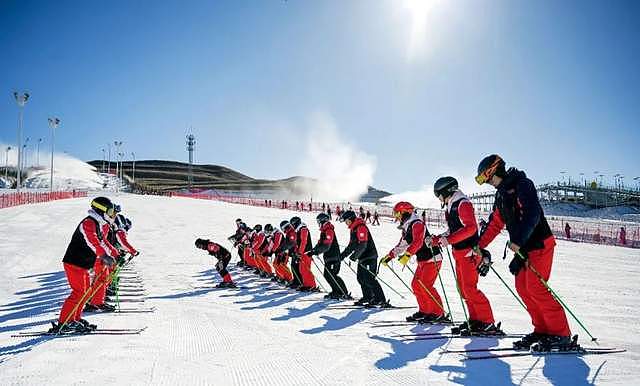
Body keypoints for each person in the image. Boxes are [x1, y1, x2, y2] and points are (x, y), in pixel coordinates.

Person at [476, 154, 571, 350]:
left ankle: (561, 333)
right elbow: (495, 223)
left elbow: (533, 213)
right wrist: (480, 245)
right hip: (524, 250)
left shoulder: (523, 184)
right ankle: (542, 329)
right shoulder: (501, 195)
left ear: (495, 170)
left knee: (536, 288)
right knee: (523, 287)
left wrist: (518, 240)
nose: (489, 184)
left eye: (488, 179)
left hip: (539, 244)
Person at [430, 176, 500, 335]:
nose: (439, 198)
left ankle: (487, 322)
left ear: (446, 191)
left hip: (469, 252)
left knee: (470, 288)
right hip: (459, 253)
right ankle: (476, 319)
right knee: (463, 289)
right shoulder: (451, 205)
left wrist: (449, 239)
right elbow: (454, 230)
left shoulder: (463, 203)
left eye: (438, 194)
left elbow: (471, 228)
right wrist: (438, 239)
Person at [51, 197, 119, 333]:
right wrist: (104, 256)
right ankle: (65, 322)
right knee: (79, 292)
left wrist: (114, 253)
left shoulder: (97, 224)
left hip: (83, 264)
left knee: (86, 292)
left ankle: (73, 318)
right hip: (75, 262)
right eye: (110, 211)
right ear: (101, 210)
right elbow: (92, 242)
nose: (112, 214)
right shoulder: (88, 223)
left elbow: (102, 242)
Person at [382, 201, 446, 322]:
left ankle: (438, 313)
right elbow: (403, 244)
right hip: (423, 260)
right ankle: (425, 311)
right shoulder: (407, 226)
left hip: (432, 258)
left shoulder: (417, 224)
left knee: (426, 285)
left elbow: (418, 242)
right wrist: (390, 256)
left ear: (405, 212)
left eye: (398, 214)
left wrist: (408, 255)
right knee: (416, 284)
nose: (397, 217)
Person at [340, 210, 388, 307]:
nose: (345, 223)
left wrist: (354, 256)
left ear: (350, 219)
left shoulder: (361, 227)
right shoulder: (353, 229)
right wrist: (343, 255)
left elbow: (363, 244)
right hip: (362, 257)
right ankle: (368, 297)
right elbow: (352, 245)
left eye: (346, 220)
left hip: (370, 257)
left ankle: (380, 299)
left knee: (369, 278)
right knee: (361, 278)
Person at [311, 213, 350, 299]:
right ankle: (336, 291)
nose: (318, 223)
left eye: (319, 221)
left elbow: (326, 245)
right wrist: (313, 250)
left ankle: (343, 292)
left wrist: (316, 252)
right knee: (328, 275)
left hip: (333, 257)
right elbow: (320, 243)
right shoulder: (324, 231)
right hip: (329, 257)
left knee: (332, 275)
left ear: (323, 221)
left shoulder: (329, 230)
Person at [290, 216, 317, 291]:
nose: (292, 226)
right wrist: (296, 252)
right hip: (302, 253)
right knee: (302, 269)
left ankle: (311, 285)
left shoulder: (303, 229)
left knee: (305, 269)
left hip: (306, 252)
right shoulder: (299, 230)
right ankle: (306, 284)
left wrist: (299, 252)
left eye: (293, 224)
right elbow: (297, 243)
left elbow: (303, 242)